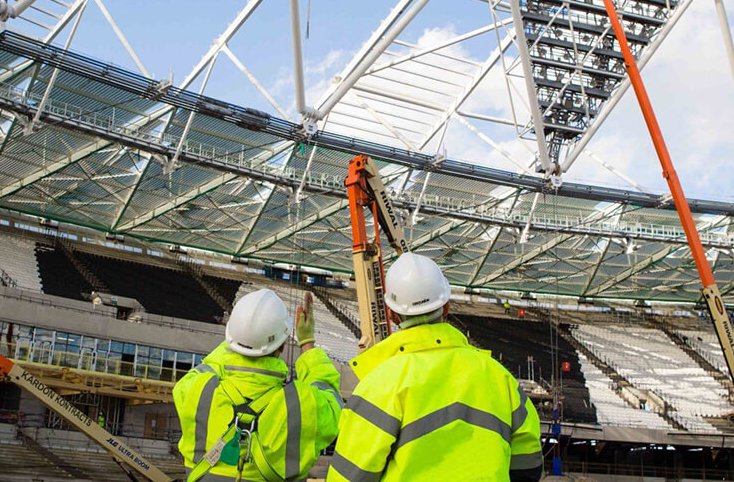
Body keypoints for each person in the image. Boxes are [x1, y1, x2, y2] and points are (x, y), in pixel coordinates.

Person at [327, 253, 543, 482]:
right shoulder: (500, 378)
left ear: (391, 315)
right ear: (446, 306)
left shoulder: (379, 385)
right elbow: (528, 467)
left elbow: (349, 476)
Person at [174, 289, 343, 482]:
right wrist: (307, 344)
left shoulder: (194, 389)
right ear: (282, 345)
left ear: (231, 339)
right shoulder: (301, 405)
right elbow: (330, 398)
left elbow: (210, 365)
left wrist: (240, 338)